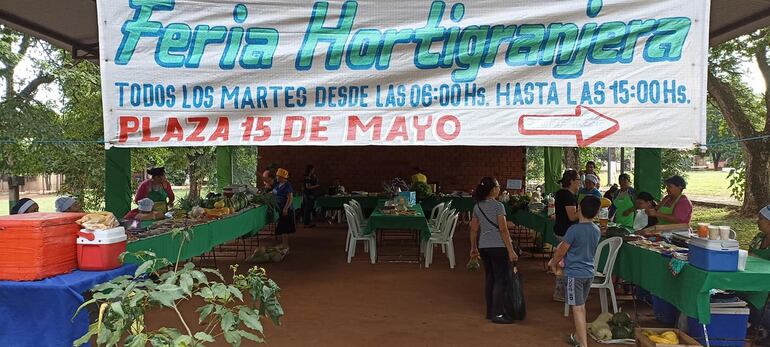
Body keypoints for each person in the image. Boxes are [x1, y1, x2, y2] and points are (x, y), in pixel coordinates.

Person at [548, 196, 602, 347]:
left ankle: (583, 344)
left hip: (574, 274)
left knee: (577, 309)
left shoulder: (573, 230)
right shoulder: (596, 230)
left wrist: (553, 263)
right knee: (581, 306)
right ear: (597, 213)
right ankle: (579, 337)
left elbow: (561, 251)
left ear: (578, 209)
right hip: (588, 273)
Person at [469, 177, 518, 324]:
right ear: (492, 190)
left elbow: (473, 229)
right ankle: (498, 314)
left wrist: (473, 248)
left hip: (484, 246)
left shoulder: (477, 206)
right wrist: (511, 250)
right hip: (499, 247)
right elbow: (503, 229)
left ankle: (490, 311)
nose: (499, 188)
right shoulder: (498, 206)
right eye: (497, 186)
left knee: (490, 278)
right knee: (501, 280)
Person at [552, 170, 581, 302]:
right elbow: (572, 216)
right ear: (571, 182)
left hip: (561, 230)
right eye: (578, 180)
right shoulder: (568, 196)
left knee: (562, 262)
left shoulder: (561, 193)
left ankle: (563, 291)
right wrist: (585, 211)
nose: (579, 183)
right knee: (565, 263)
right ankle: (562, 292)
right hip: (566, 233)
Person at [273, 168, 295, 249]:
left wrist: (286, 208)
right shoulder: (278, 184)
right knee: (282, 228)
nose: (276, 177)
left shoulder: (287, 185)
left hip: (286, 209)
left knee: (284, 228)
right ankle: (284, 245)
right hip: (280, 208)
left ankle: (286, 246)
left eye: (278, 176)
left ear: (282, 177)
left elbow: (290, 198)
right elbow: (274, 192)